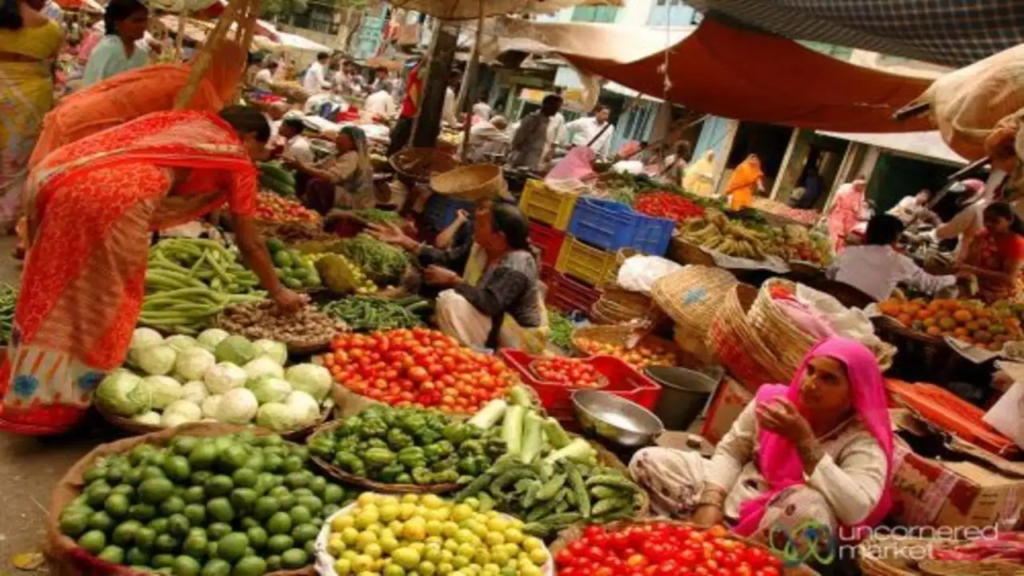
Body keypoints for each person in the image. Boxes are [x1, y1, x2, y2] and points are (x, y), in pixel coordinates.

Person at [0, 107, 304, 435]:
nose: (259, 157)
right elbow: (250, 242)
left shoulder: (183, 123)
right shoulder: (234, 155)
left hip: (59, 178)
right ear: (245, 137)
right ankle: (60, 405)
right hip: (116, 199)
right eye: (260, 148)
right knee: (106, 303)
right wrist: (279, 291)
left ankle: (22, 386)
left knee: (50, 284)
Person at [630, 337, 893, 548]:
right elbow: (732, 451)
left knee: (807, 509)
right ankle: (706, 533)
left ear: (854, 393)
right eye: (810, 370)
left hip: (780, 522)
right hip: (736, 494)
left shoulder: (862, 442)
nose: (811, 383)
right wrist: (710, 502)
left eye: (829, 379)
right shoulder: (775, 401)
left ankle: (744, 557)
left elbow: (856, 510)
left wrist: (805, 443)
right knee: (648, 460)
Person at [29, 43, 247, 168]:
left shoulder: (177, 72)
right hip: (90, 126)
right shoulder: (198, 90)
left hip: (78, 112)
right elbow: (188, 141)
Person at [427, 202, 545, 351]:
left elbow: (491, 303)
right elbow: (447, 258)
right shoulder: (483, 250)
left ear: (498, 237)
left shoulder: (517, 263)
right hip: (497, 324)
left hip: (517, 336)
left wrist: (453, 280)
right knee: (450, 299)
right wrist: (411, 245)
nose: (475, 226)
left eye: (482, 225)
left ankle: (476, 353)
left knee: (451, 300)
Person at [0, 0, 63, 233]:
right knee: (16, 160)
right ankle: (6, 217)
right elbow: (51, 64)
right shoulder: (51, 30)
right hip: (29, 99)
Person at [828, 215, 957, 301]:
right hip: (863, 318)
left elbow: (830, 275)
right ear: (896, 238)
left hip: (831, 306)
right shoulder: (899, 262)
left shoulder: (848, 252)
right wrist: (955, 278)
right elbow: (930, 285)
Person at [287, 125, 374, 214]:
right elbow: (318, 166)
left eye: (341, 137)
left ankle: (318, 213)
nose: (337, 139)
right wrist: (298, 165)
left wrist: (302, 167)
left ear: (351, 142)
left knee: (317, 184)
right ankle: (299, 203)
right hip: (338, 190)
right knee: (303, 175)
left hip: (350, 195)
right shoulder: (338, 154)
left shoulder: (352, 157)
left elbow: (332, 177)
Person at [958, 202, 1024, 303]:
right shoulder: (983, 235)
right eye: (986, 219)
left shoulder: (1016, 243)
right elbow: (970, 261)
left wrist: (973, 270)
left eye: (994, 221)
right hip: (974, 288)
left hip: (999, 296)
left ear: (1009, 221)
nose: (988, 224)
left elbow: (1008, 277)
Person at [82, 0, 149, 87]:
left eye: (145, 20)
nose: (144, 26)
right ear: (117, 24)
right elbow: (93, 87)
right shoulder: (107, 50)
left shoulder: (141, 54)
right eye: (136, 21)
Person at [929, 178, 988, 261]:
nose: (962, 196)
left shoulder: (973, 208)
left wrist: (934, 219)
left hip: (967, 253)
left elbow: (949, 231)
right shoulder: (981, 207)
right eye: (963, 193)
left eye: (967, 193)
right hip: (971, 252)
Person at [509, 95, 563, 171]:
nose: (557, 110)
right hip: (525, 157)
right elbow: (519, 137)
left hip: (537, 158)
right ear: (546, 105)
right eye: (555, 107)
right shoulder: (532, 119)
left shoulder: (549, 120)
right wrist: (513, 149)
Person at [387, 59, 423, 156]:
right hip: (409, 114)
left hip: (408, 113)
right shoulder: (416, 75)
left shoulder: (415, 74)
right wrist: (418, 109)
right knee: (399, 141)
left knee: (398, 141)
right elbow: (413, 91)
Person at [827, 177, 868, 252]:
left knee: (845, 237)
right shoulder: (844, 188)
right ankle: (831, 250)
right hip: (839, 215)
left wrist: (859, 216)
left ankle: (839, 253)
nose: (862, 188)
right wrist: (829, 212)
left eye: (864, 186)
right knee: (835, 235)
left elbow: (859, 205)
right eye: (861, 186)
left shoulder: (861, 193)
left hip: (851, 218)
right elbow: (835, 201)